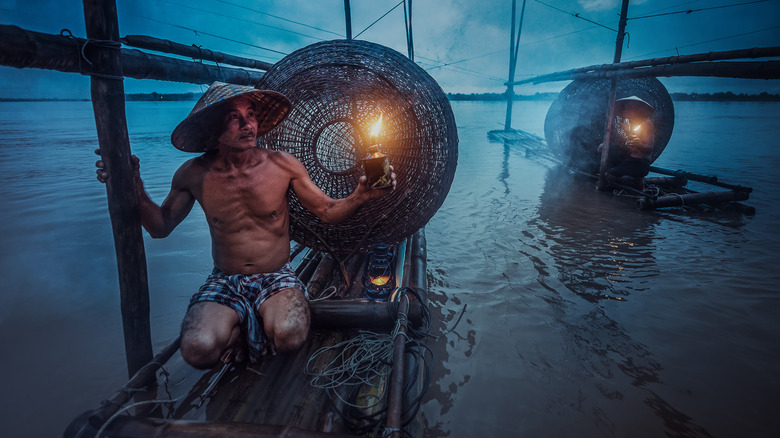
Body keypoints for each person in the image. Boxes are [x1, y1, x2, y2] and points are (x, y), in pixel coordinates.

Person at [96, 82, 396, 369]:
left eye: (251, 115)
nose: (247, 124)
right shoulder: (193, 174)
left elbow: (327, 211)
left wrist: (360, 196)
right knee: (197, 350)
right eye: (234, 118)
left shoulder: (282, 165)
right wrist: (133, 184)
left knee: (290, 335)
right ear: (212, 129)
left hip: (277, 276)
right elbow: (160, 227)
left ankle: (252, 324)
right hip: (225, 280)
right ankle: (238, 326)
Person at [600, 95, 655, 190]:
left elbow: (649, 149)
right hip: (629, 159)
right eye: (625, 107)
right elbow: (625, 144)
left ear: (638, 109)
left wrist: (638, 144)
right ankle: (634, 181)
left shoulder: (646, 124)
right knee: (611, 151)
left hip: (640, 163)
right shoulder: (629, 123)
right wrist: (605, 145)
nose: (626, 109)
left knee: (609, 175)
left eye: (629, 107)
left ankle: (632, 182)